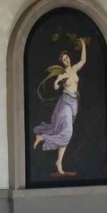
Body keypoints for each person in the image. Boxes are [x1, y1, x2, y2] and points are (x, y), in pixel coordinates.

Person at [33, 38, 87, 177]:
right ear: (62, 62)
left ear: (69, 58)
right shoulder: (62, 74)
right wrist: (57, 82)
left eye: (67, 57)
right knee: (68, 132)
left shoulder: (74, 69)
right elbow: (56, 86)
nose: (66, 60)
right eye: (63, 59)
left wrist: (83, 45)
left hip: (74, 104)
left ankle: (59, 162)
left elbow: (83, 60)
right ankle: (42, 137)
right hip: (65, 104)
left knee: (65, 133)